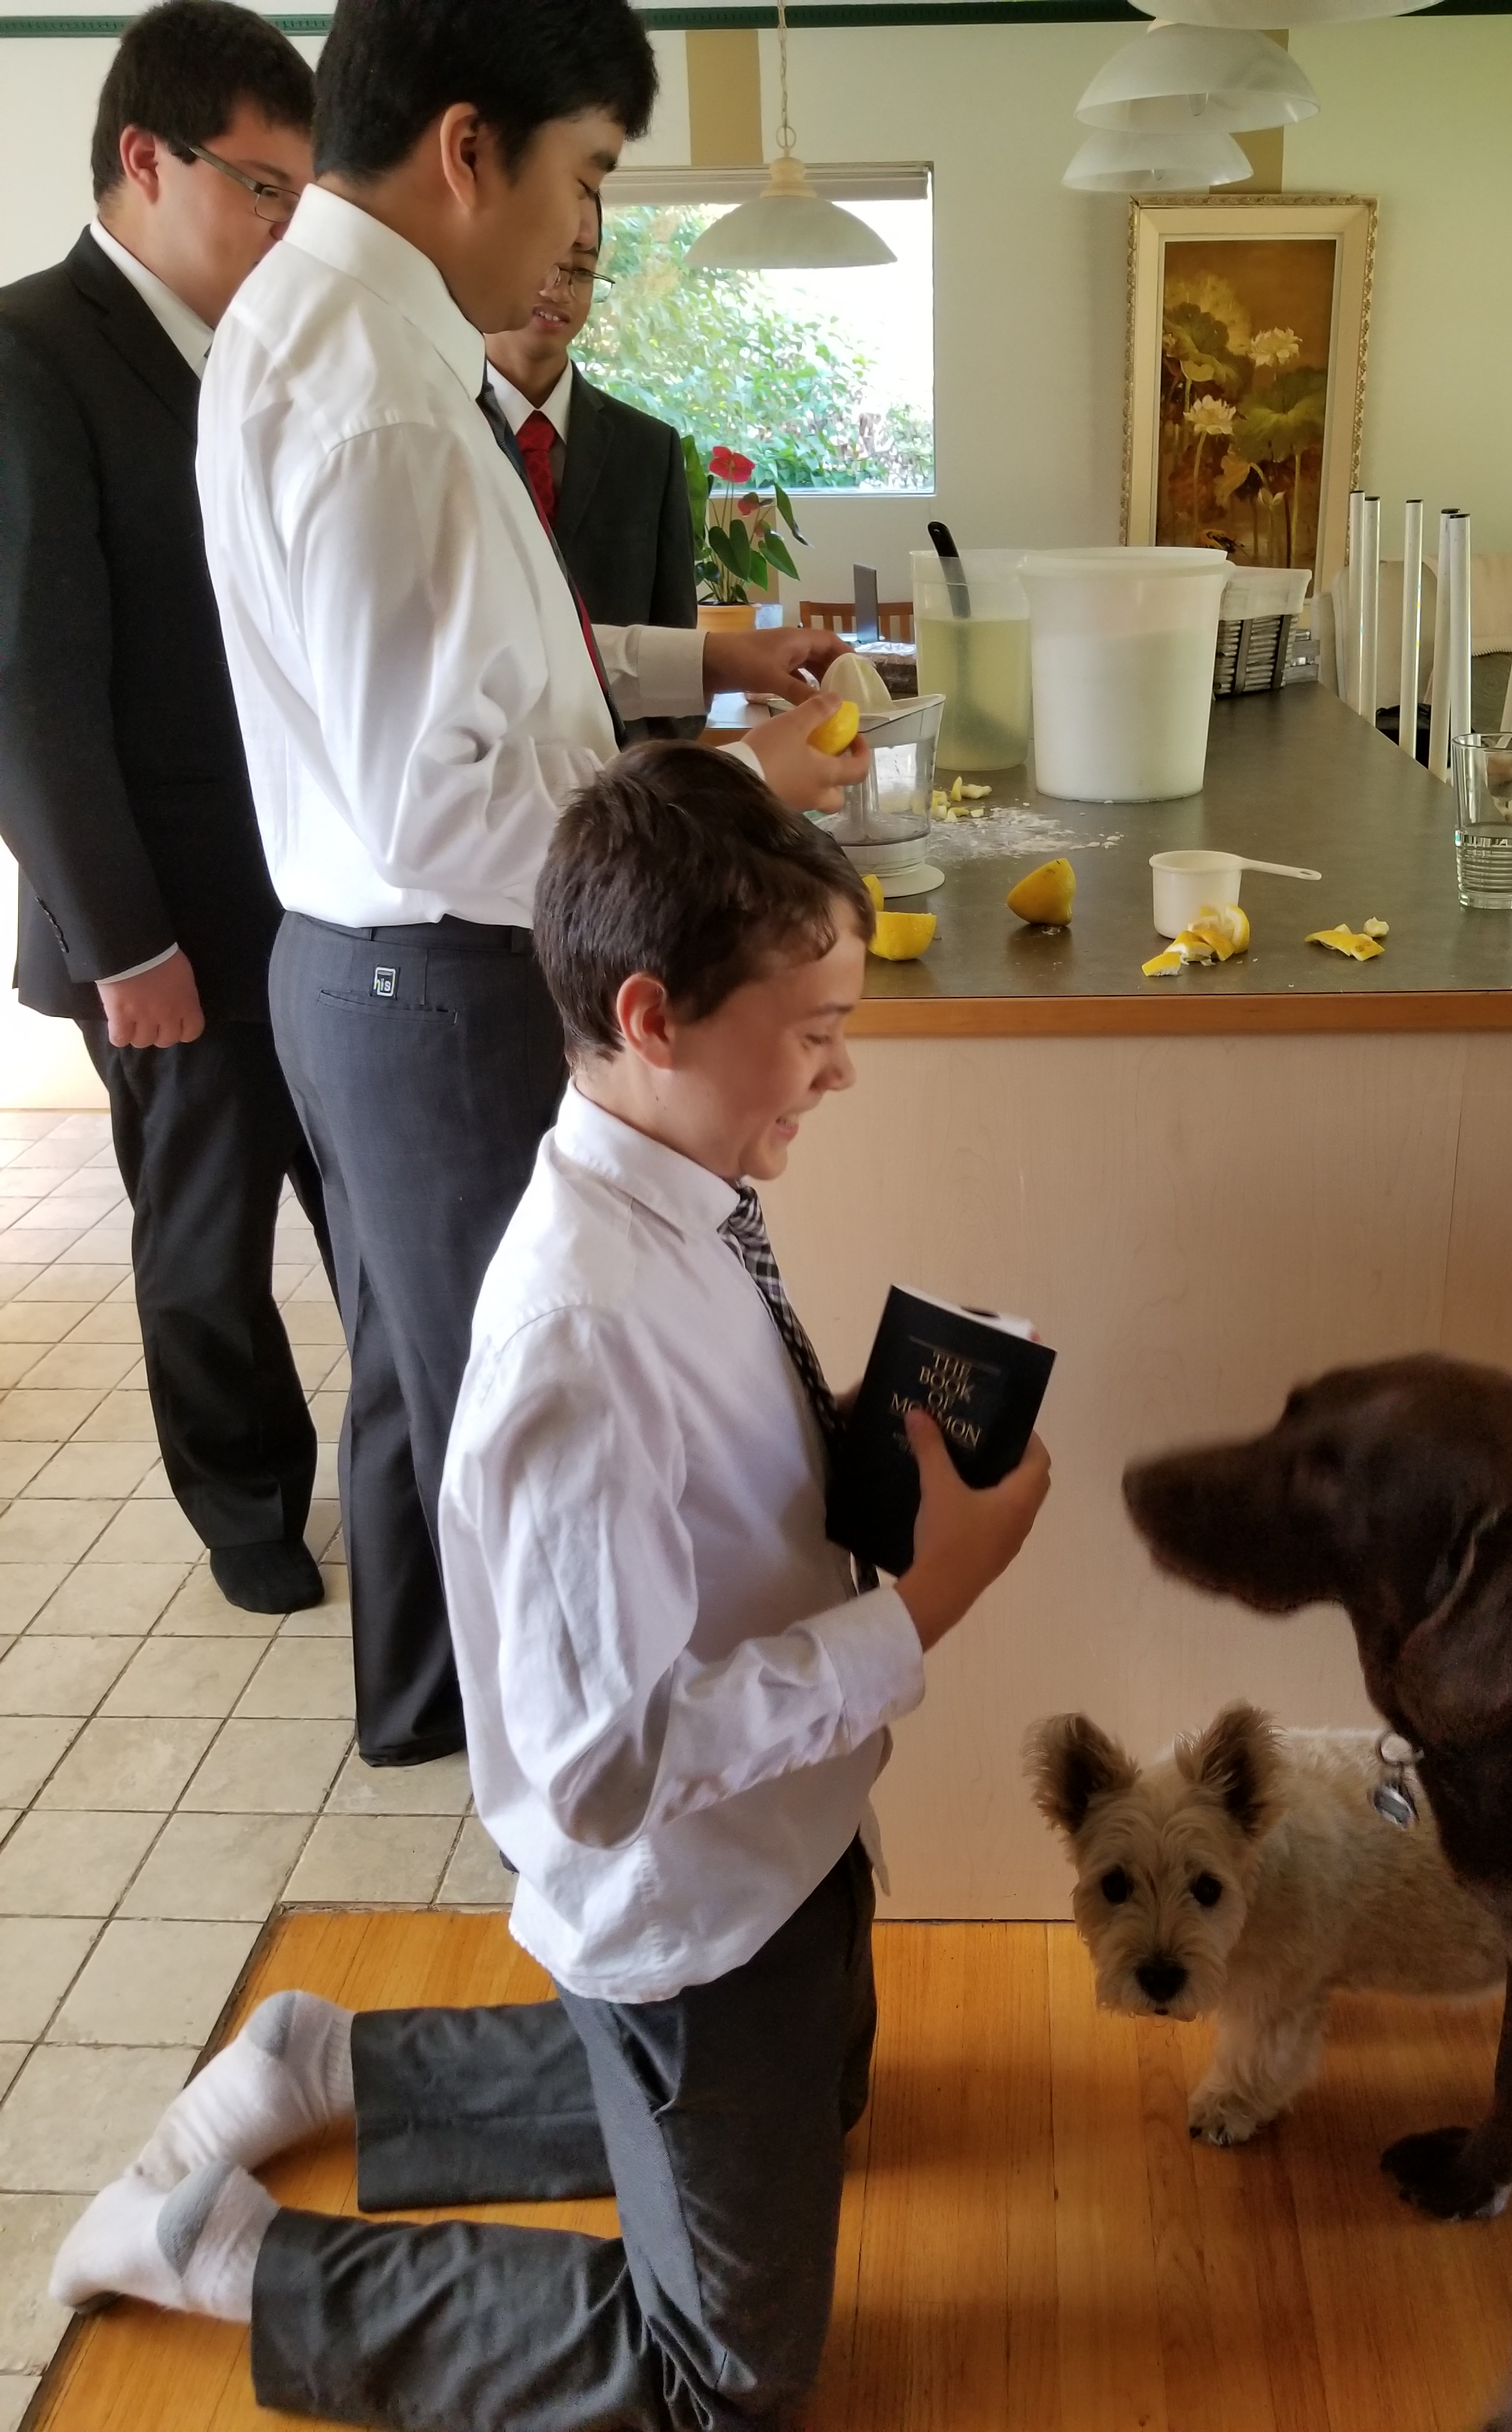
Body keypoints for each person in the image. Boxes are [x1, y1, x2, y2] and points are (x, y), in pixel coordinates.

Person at [51, 745, 1053, 2432]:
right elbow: (599, 1771)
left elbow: (707, 1474)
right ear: (654, 1018)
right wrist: (922, 1609)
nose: (842, 1069)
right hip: (693, 1908)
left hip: (791, 1844)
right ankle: (229, 2254)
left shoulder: (682, 1194)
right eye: (815, 1030)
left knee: (826, 2097)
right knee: (722, 2385)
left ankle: (330, 2065)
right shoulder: (578, 1340)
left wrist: (852, 1444)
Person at [195, 0, 867, 1763]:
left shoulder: (341, 329)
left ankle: (438, 1726)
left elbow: (493, 669)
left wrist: (703, 664)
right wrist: (741, 786)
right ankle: (556, 1781)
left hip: (374, 972)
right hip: (439, 980)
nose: (581, 231)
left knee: (432, 1377)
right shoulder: (380, 399)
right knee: (519, 1400)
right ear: (468, 148)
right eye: (585, 175)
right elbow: (441, 806)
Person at [0, 1, 331, 1616]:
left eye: (301, 197)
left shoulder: (265, 359)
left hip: (325, 899)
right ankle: (248, 1506)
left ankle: (425, 1480)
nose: (285, 227)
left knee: (369, 1214)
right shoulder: (30, 350)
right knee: (205, 1252)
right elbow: (28, 685)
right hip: (168, 927)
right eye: (263, 189)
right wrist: (124, 944)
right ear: (146, 159)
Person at [484, 207, 698, 639]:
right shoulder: (431, 427)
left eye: (581, 271)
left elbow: (676, 640)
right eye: (545, 260)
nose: (560, 289)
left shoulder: (649, 450)